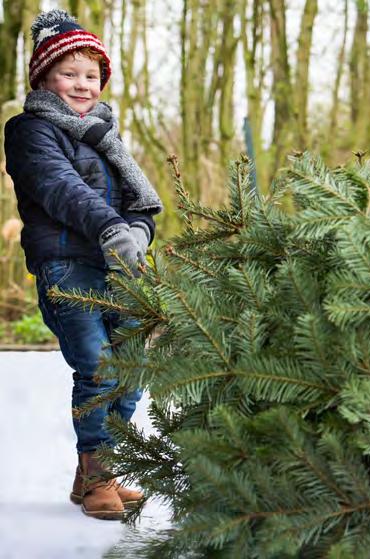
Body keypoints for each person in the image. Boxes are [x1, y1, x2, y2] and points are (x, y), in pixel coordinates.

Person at [4, 9, 163, 520]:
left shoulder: (105, 135)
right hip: (68, 263)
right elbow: (60, 187)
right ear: (45, 78)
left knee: (133, 364)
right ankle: (97, 474)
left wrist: (138, 229)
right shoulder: (29, 130)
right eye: (69, 74)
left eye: (90, 75)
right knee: (96, 365)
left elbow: (136, 201)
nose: (82, 84)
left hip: (120, 266)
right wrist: (110, 228)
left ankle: (102, 469)